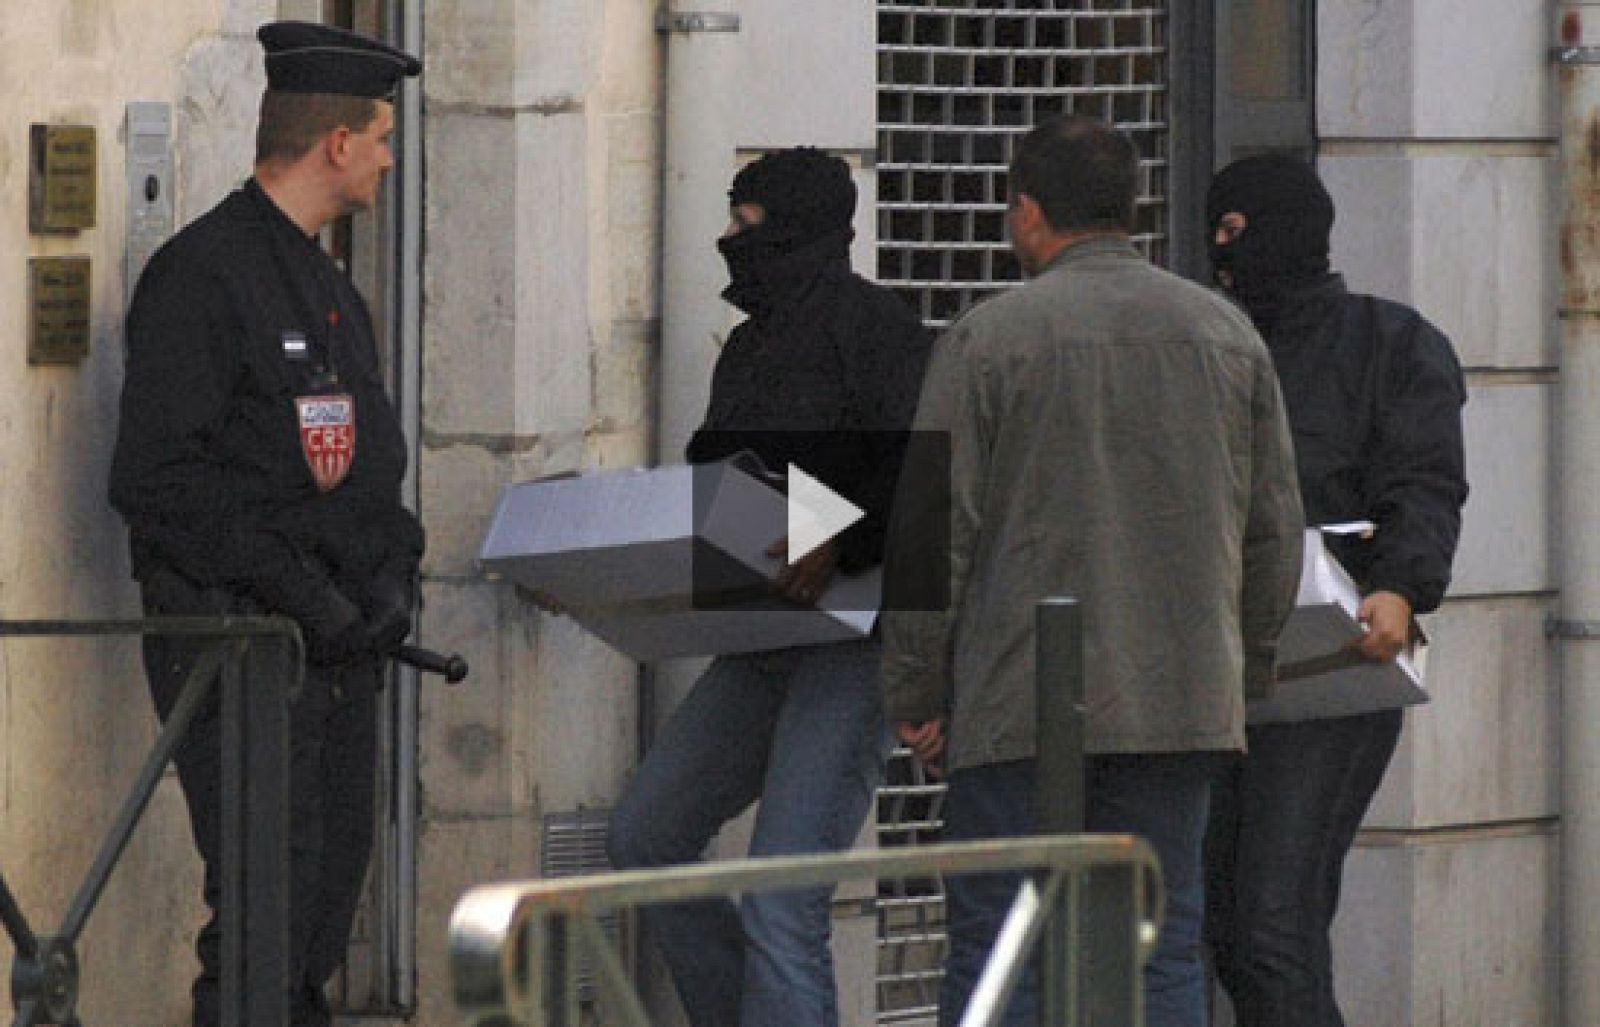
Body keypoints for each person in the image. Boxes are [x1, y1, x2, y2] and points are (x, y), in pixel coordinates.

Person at [879, 116, 1305, 1027]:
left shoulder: (988, 339)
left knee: (1003, 948)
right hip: (1182, 696)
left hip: (1019, 696)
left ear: (1027, 211)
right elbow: (1274, 527)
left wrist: (917, 685)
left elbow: (929, 532)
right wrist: (1246, 673)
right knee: (1161, 943)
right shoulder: (1225, 334)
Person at [107, 21, 423, 1026]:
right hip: (239, 644)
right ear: (335, 142)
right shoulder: (204, 277)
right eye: (379, 134)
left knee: (322, 909)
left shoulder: (330, 288)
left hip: (332, 654)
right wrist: (302, 593)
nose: (386, 154)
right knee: (261, 914)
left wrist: (384, 584)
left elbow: (360, 471)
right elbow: (160, 480)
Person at [605, 147, 933, 1026]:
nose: (730, 240)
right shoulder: (749, 346)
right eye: (731, 219)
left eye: (750, 225)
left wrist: (841, 538)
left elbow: (923, 485)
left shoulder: (882, 334)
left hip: (852, 647)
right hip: (760, 642)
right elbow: (719, 476)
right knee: (645, 836)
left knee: (783, 892)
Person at [1201, 154, 1468, 1027]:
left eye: (1238, 231)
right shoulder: (1210, 344)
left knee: (1274, 923)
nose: (1220, 248)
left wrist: (1398, 586)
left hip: (1335, 666)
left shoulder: (1390, 344)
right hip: (1222, 665)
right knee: (1233, 929)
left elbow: (1424, 482)